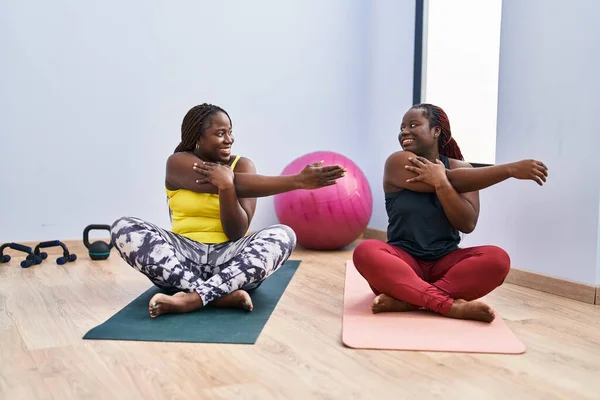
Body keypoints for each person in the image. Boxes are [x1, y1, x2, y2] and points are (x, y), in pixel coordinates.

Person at [111, 103, 345, 318]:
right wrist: (297, 181)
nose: (229, 139)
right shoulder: (178, 162)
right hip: (182, 261)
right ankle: (216, 296)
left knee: (284, 235)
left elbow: (236, 232)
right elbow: (236, 182)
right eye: (220, 133)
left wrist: (226, 186)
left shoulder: (243, 165)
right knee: (123, 227)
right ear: (198, 138)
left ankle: (192, 298)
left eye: (230, 132)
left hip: (231, 261)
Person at [352, 103, 548, 323]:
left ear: (436, 131)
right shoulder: (397, 162)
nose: (404, 131)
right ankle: (449, 306)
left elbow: (467, 223)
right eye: (402, 127)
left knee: (498, 259)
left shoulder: (463, 170)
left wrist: (441, 184)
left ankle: (410, 299)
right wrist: (509, 170)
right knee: (365, 250)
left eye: (413, 124)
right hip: (402, 263)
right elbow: (454, 179)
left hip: (445, 265)